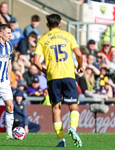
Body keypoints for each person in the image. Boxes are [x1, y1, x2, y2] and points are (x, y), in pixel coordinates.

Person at [34, 14, 83, 147]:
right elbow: (78, 54)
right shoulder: (68, 36)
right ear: (60, 24)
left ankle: (61, 141)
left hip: (53, 77)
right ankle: (72, 128)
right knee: (73, 107)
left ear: (47, 25)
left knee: (56, 109)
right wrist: (80, 66)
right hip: (68, 75)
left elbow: (36, 61)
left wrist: (45, 71)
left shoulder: (43, 39)